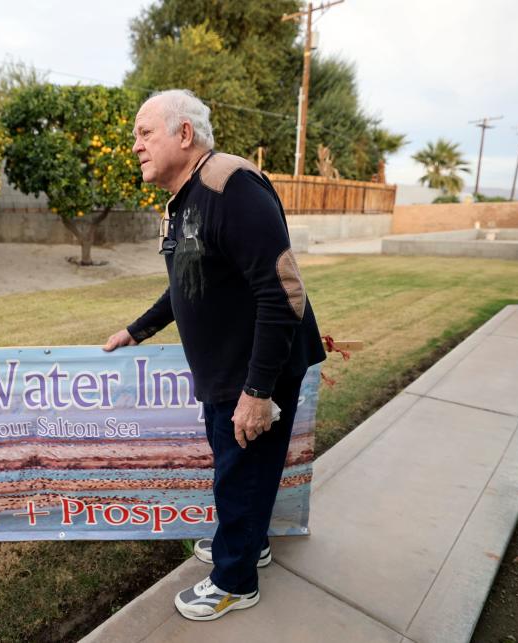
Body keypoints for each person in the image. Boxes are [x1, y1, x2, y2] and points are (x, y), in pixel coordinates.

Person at [103, 89, 326, 621]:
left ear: (184, 134)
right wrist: (137, 330)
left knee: (238, 473)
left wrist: (257, 391)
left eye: (144, 132)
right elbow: (187, 283)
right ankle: (247, 543)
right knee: (243, 469)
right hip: (230, 368)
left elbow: (283, 292)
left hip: (254, 370)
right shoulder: (185, 197)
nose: (134, 144)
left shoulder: (231, 186)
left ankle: (234, 579)